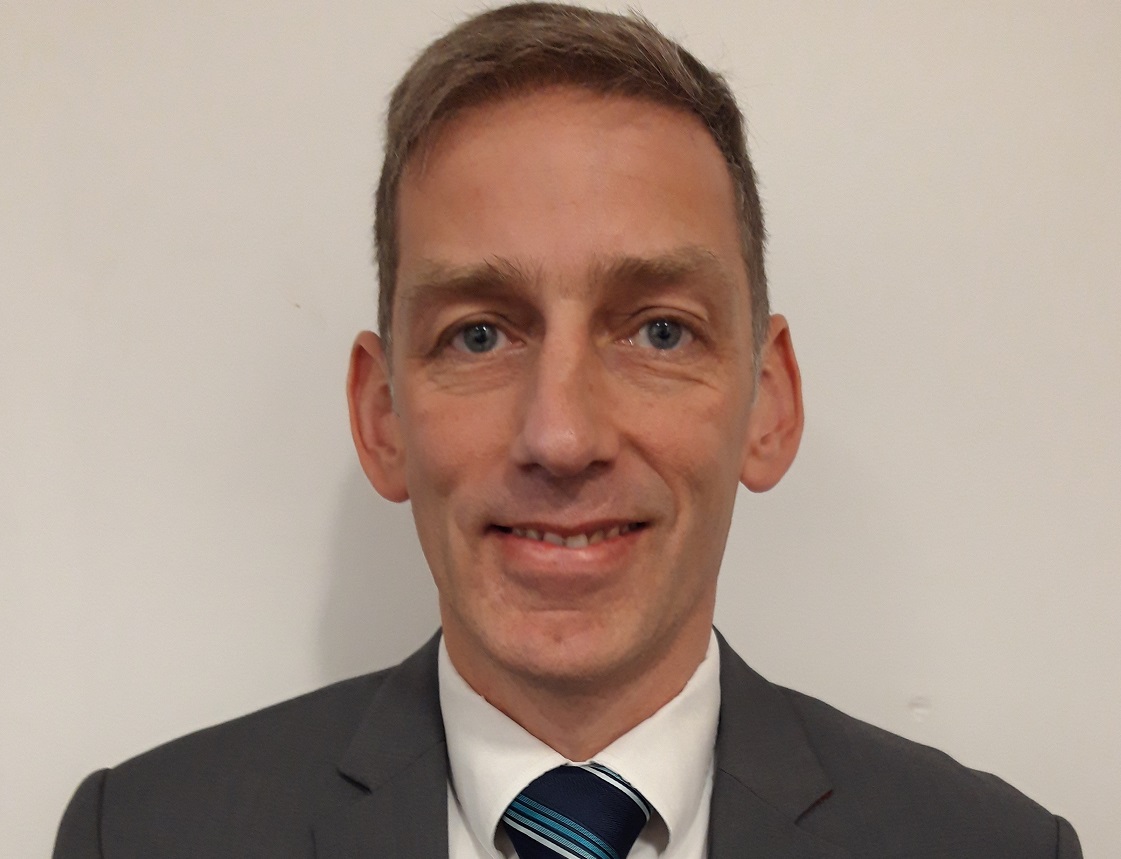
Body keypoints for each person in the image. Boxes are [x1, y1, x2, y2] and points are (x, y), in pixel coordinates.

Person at [53, 4, 1082, 857]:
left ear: (767, 403)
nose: (560, 435)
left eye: (659, 330)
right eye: (479, 334)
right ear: (381, 417)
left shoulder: (991, 848)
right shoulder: (140, 836)